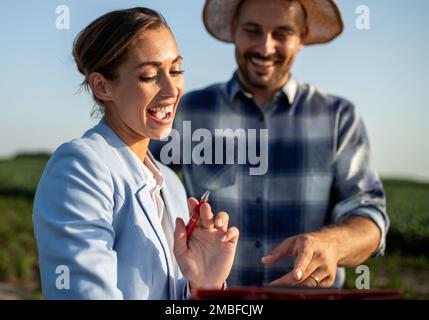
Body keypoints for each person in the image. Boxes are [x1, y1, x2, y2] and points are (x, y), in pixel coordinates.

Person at [151, 0, 389, 288]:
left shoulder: (339, 117)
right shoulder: (188, 111)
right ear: (234, 30)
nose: (265, 48)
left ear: (302, 37)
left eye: (282, 34)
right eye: (252, 31)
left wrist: (333, 243)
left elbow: (370, 216)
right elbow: (142, 183)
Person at [32, 7, 239, 299]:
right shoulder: (79, 168)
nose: (171, 90)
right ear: (102, 86)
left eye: (176, 70)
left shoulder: (172, 184)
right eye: (149, 75)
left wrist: (204, 286)